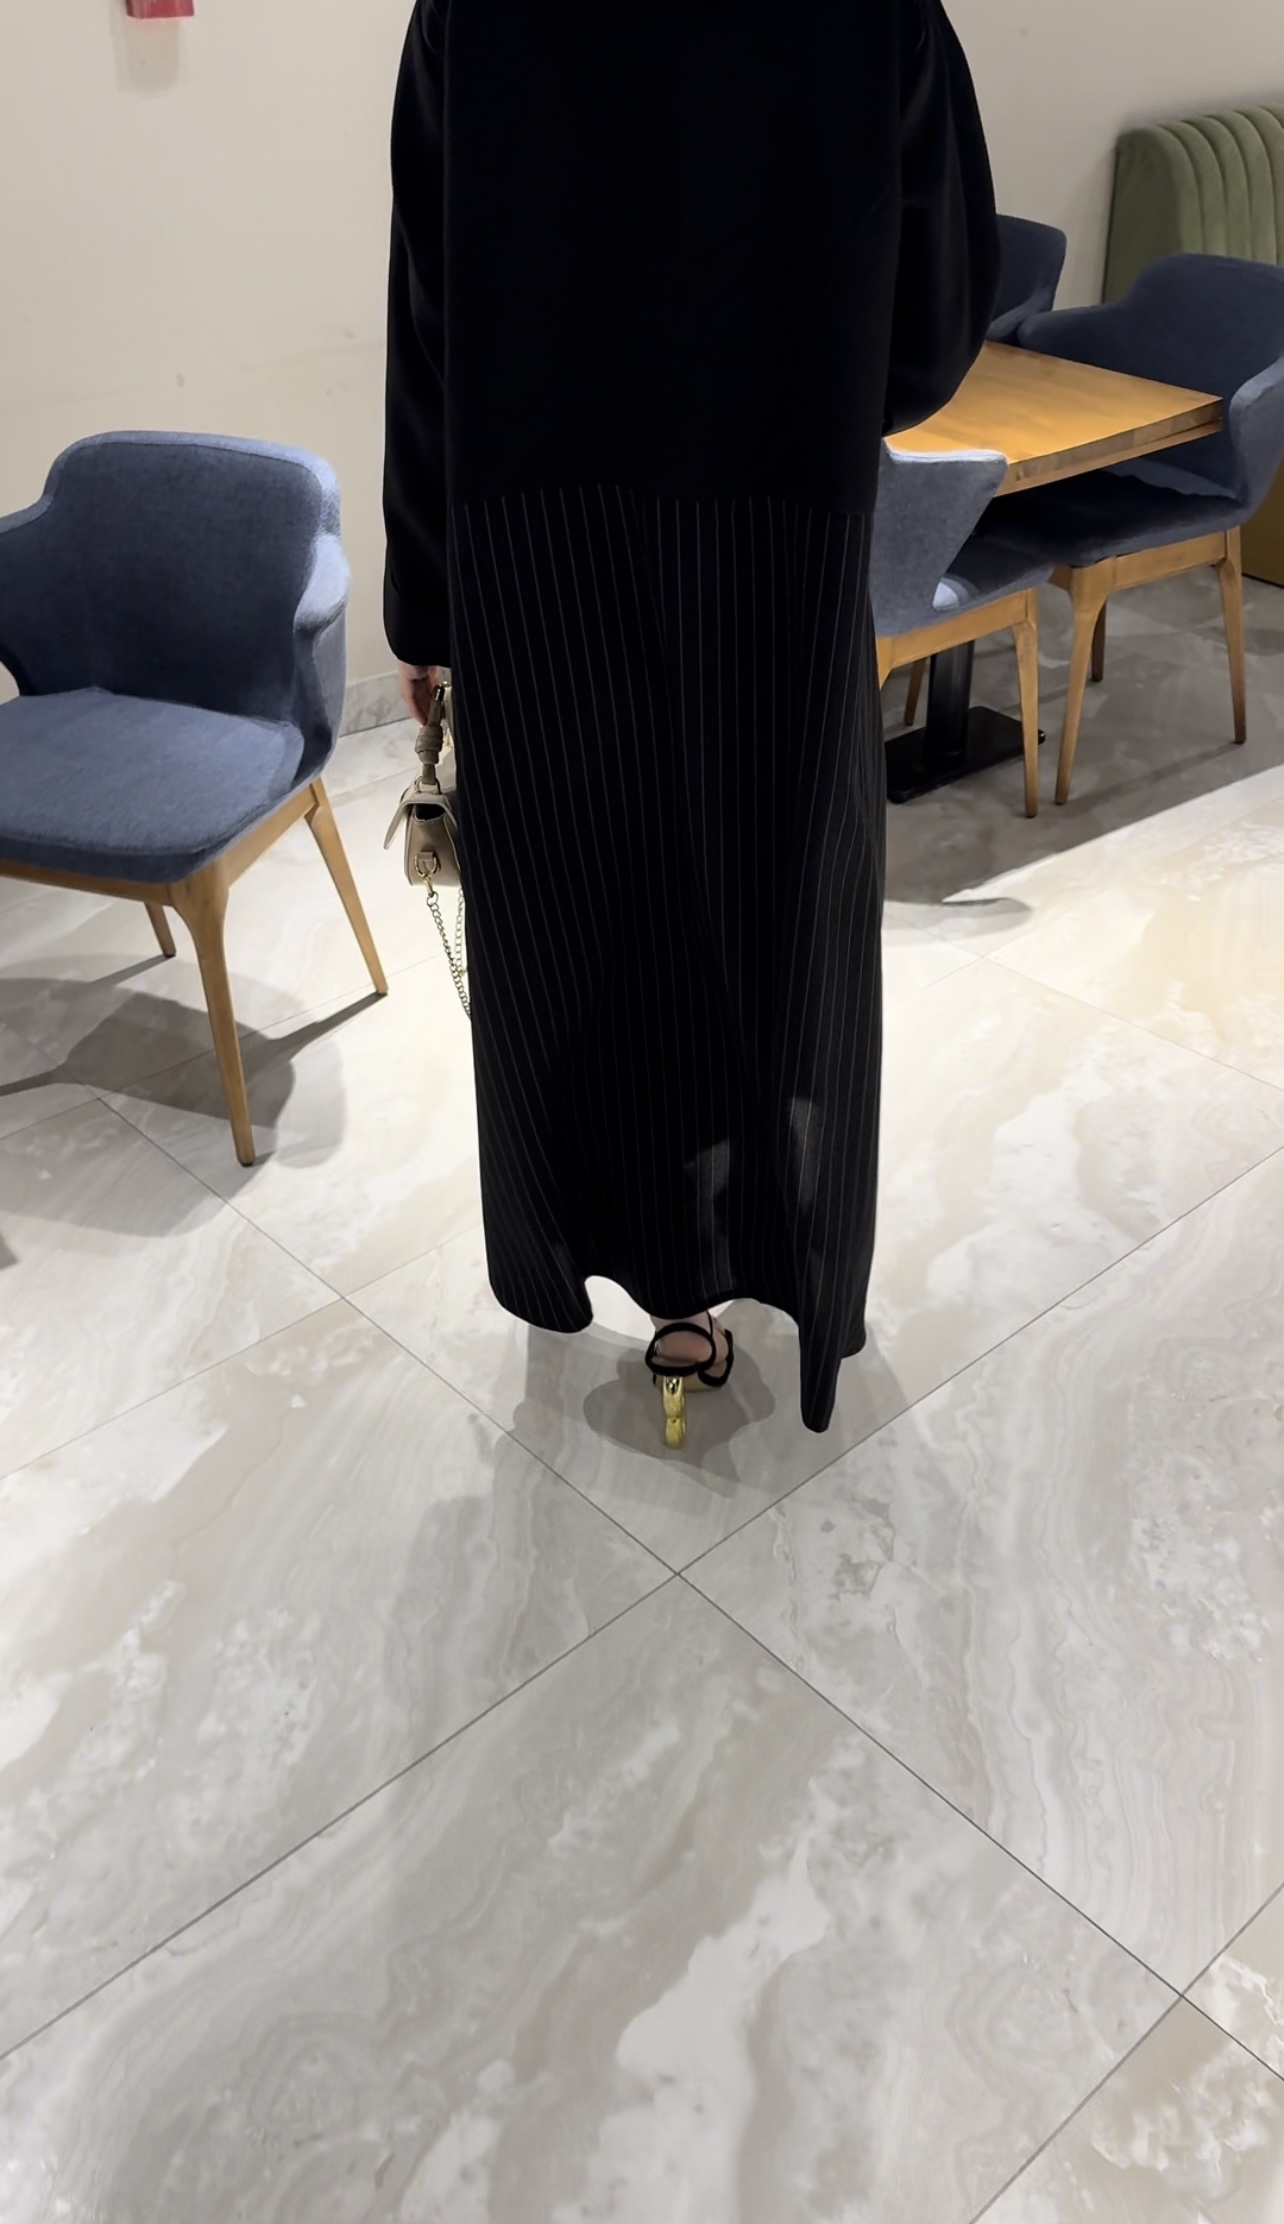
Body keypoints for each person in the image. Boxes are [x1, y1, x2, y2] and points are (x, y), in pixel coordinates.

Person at [384, 0, 998, 1445]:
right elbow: (937, 316)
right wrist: (798, 371)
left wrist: (428, 605)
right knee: (773, 909)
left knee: (585, 918)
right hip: (775, 532)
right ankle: (752, 1249)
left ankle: (643, 1264)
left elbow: (430, 317)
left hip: (537, 536)